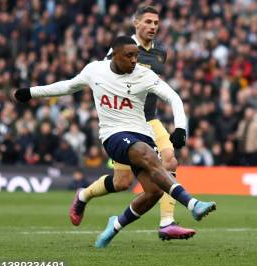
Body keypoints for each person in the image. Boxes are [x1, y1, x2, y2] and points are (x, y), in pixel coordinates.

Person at [14, 36, 216, 248]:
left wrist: (181, 127)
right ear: (114, 55)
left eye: (136, 56)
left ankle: (115, 225)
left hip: (142, 133)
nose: (134, 60)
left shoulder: (144, 75)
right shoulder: (95, 70)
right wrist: (31, 93)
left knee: (153, 191)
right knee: (149, 156)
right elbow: (67, 86)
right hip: (114, 135)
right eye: (129, 55)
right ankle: (192, 203)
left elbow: (173, 97)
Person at [70, 5, 196, 241]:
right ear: (135, 23)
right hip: (123, 125)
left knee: (169, 159)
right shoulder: (121, 48)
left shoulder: (160, 52)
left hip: (150, 120)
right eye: (148, 22)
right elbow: (104, 76)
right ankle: (84, 195)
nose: (152, 27)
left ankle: (167, 223)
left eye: (156, 23)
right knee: (121, 182)